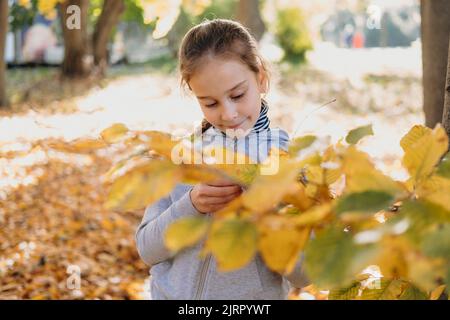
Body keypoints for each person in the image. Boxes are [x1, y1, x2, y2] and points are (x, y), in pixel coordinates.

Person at [135, 19, 310, 300]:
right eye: (210, 103)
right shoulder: (184, 155)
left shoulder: (288, 161)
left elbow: (305, 274)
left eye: (238, 95)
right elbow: (146, 249)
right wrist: (190, 205)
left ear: (261, 79)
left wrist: (265, 213)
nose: (228, 114)